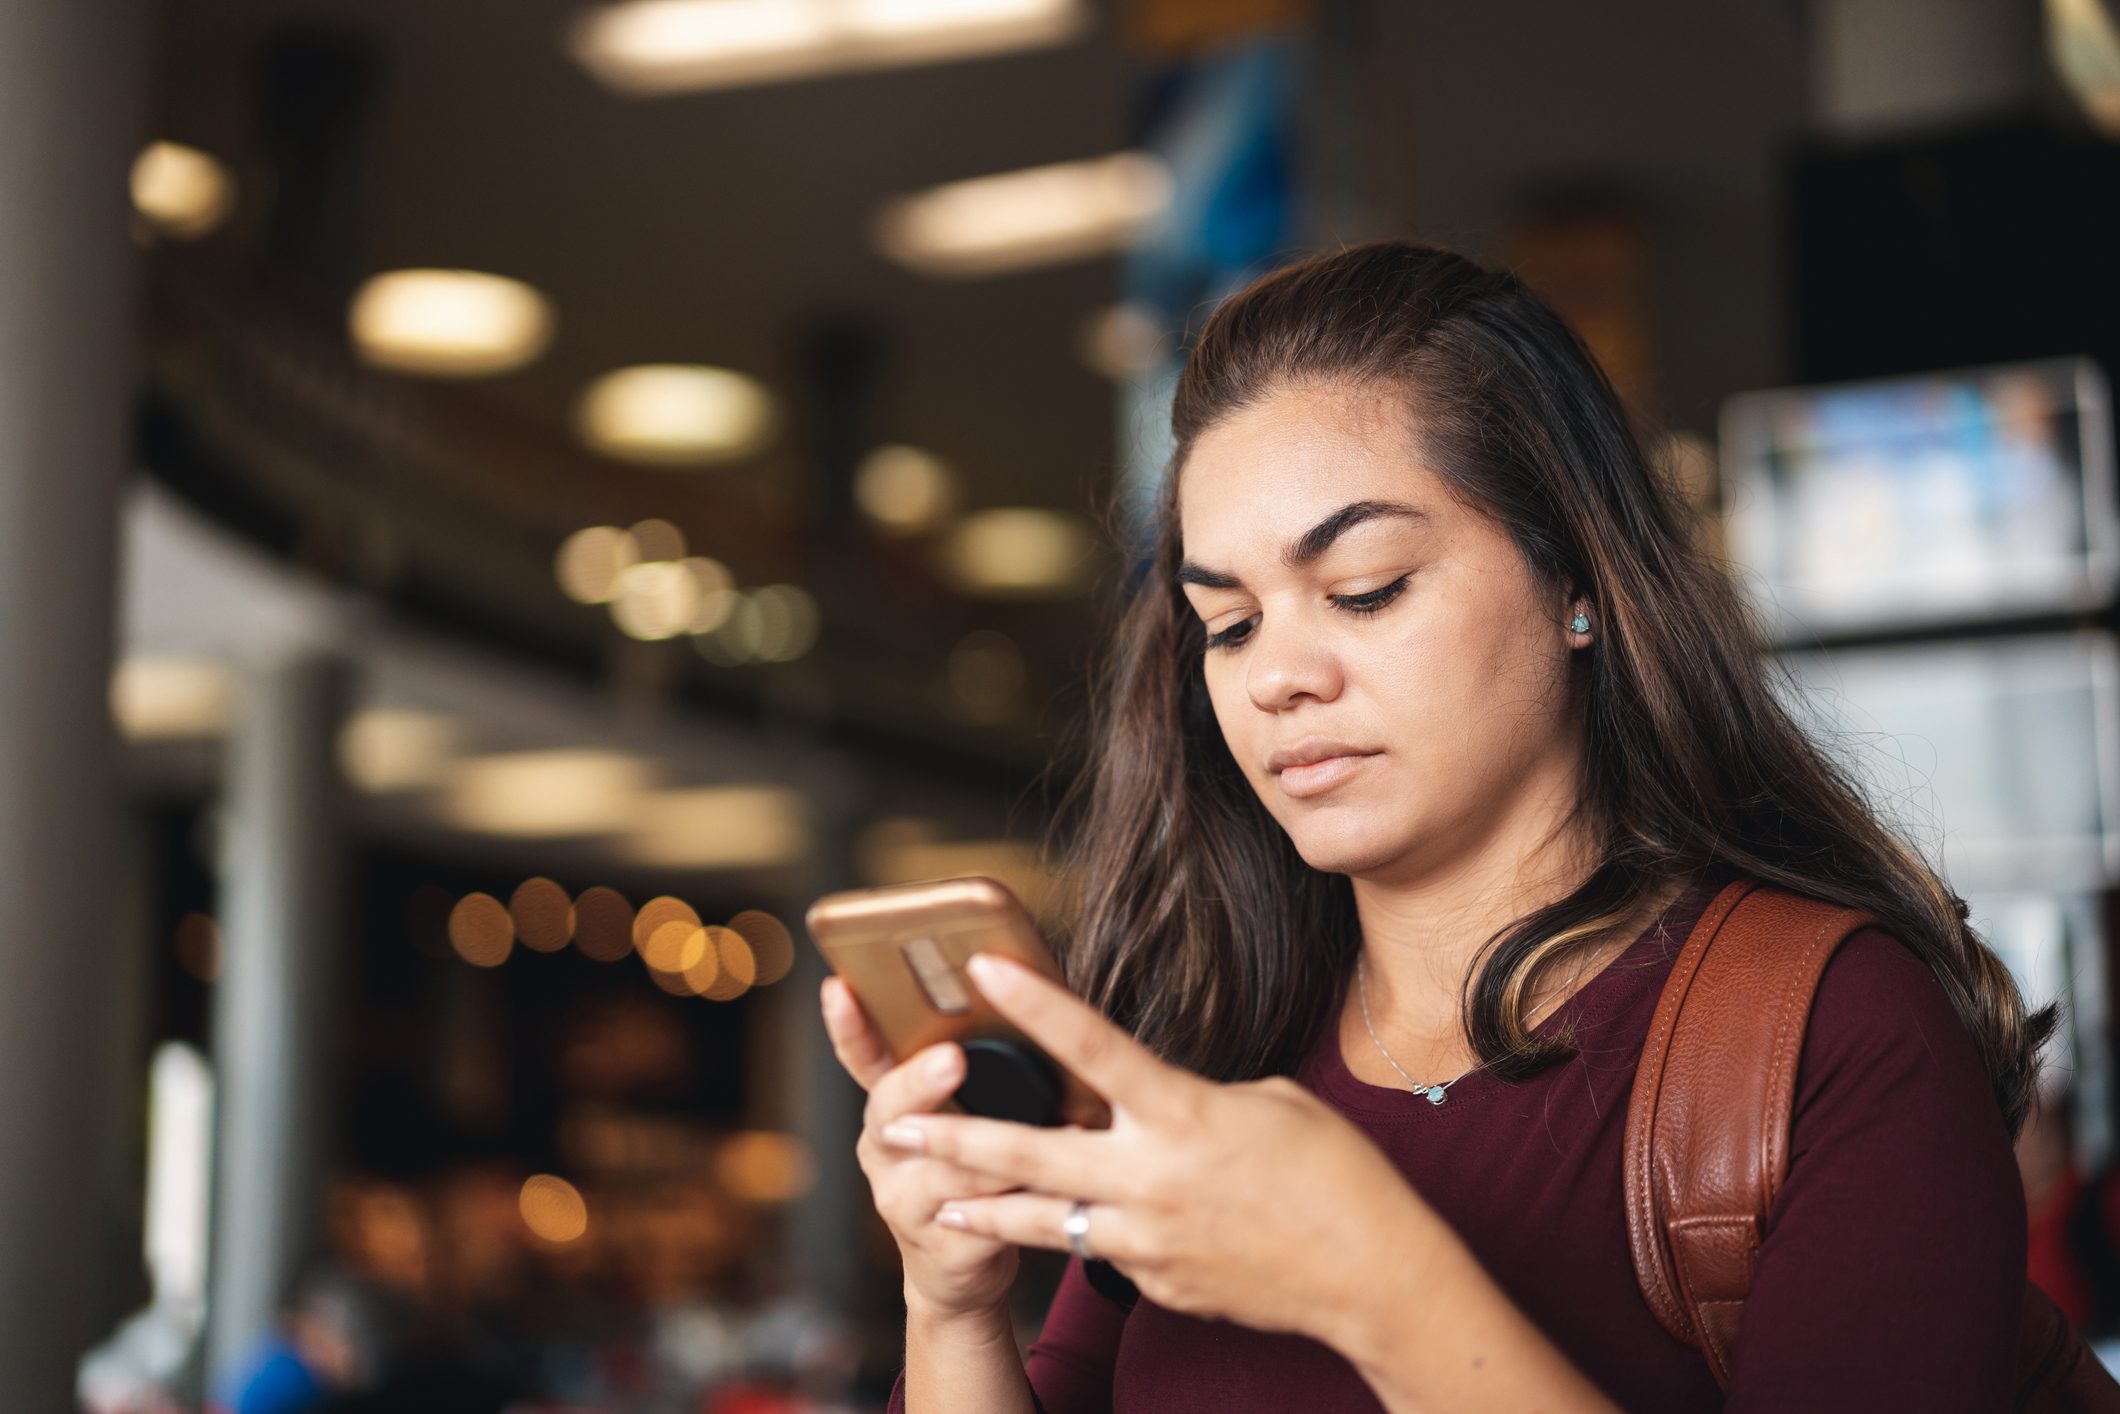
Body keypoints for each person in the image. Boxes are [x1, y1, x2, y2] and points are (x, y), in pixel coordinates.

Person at [820, 240, 2049, 1412]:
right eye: (1229, 623)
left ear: (1573, 576)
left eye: (1363, 590)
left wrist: (1375, 1280)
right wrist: (954, 1302)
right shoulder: (1208, 1053)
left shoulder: (1830, 1030)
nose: (1274, 677)